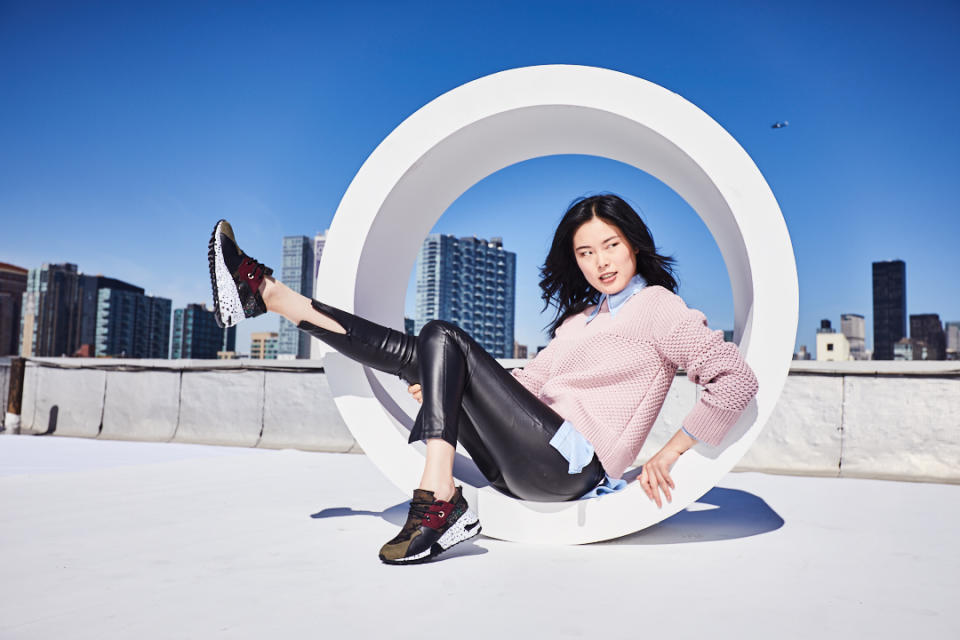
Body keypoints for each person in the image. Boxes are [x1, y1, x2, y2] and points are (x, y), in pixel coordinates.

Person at [207, 193, 758, 565]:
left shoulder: (658, 307)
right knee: (427, 348)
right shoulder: (580, 321)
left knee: (441, 336)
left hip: (573, 463)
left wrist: (672, 452)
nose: (601, 262)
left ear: (633, 243)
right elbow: (530, 383)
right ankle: (269, 295)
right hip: (527, 456)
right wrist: (445, 384)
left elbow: (734, 377)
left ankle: (438, 498)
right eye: (585, 252)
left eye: (611, 245)